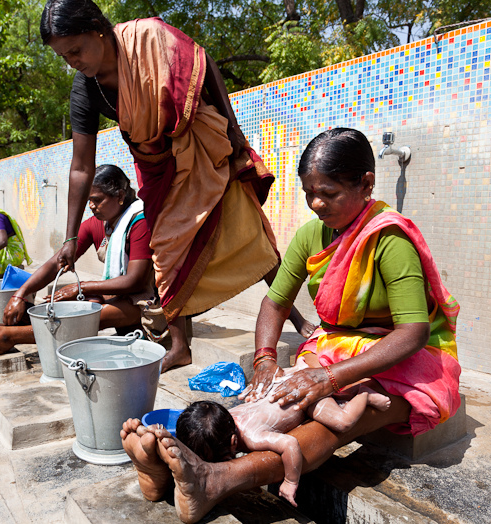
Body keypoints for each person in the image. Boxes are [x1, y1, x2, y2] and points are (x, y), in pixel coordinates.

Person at [120, 128, 462, 523]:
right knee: (278, 402)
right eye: (308, 193)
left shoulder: (389, 239)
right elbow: (275, 301)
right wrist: (265, 361)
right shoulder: (310, 236)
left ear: (367, 183)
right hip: (338, 345)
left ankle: (218, 479)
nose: (316, 204)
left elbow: (413, 332)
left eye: (328, 194)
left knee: (335, 423)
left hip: (404, 359)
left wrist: (329, 378)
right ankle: (182, 463)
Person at [38, 0, 315, 370]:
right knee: (165, 250)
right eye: (63, 56)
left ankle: (297, 320)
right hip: (157, 168)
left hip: (203, 148)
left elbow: (205, 67)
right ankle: (180, 346)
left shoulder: (148, 38)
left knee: (249, 233)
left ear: (97, 28)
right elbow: (80, 166)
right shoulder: (85, 90)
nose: (72, 61)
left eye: (75, 50)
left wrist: (234, 136)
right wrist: (70, 238)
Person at [0, 165, 161, 354]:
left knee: (86, 316)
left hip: (145, 303)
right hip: (117, 297)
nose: (91, 206)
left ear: (119, 196)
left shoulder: (139, 221)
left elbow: (135, 281)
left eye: (97, 200)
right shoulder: (96, 224)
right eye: (88, 200)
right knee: (69, 305)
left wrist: (79, 287)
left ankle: (3, 336)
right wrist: (21, 294)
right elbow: (58, 261)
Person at [175, 375, 391, 506]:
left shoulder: (252, 435)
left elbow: (290, 444)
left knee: (343, 422)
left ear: (233, 443)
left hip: (307, 396)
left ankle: (364, 396)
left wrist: (290, 481)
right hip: (289, 386)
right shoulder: (229, 416)